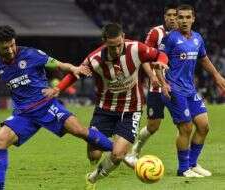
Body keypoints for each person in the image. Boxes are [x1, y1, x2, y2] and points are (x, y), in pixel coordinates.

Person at [43, 23, 169, 190]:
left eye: (119, 45)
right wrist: (58, 88)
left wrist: (161, 63)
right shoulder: (94, 59)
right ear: (104, 41)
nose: (116, 50)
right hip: (104, 110)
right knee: (94, 154)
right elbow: (76, 73)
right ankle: (105, 154)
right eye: (112, 47)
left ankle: (92, 178)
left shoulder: (136, 48)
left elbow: (160, 55)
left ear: (123, 37)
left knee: (116, 155)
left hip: (131, 109)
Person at [0, 25, 114, 190]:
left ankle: (121, 152)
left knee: (79, 131)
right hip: (24, 114)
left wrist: (74, 68)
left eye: (12, 45)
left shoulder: (31, 54)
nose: (11, 50)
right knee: (0, 141)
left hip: (46, 105)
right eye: (5, 48)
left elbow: (59, 65)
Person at [159, 4, 225, 177]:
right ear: (177, 19)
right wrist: (162, 82)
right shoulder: (170, 39)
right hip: (174, 89)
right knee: (186, 127)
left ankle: (193, 164)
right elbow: (159, 62)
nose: (184, 21)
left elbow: (204, 59)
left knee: (203, 126)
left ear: (193, 19)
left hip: (190, 90)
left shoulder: (197, 38)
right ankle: (183, 169)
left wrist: (217, 77)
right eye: (180, 17)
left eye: (188, 17)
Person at [124, 4, 178, 167]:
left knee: (186, 124)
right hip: (157, 87)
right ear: (164, 17)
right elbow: (144, 56)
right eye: (169, 15)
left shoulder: (183, 34)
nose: (173, 18)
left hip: (178, 86)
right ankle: (134, 151)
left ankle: (186, 163)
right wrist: (152, 76)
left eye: (175, 15)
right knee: (153, 126)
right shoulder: (156, 32)